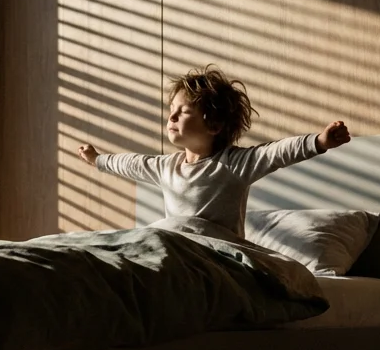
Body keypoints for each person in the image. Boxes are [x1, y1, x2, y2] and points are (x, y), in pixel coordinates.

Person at [76, 65, 351, 238]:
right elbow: (131, 163)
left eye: (183, 112)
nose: (171, 118)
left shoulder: (233, 165)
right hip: (178, 248)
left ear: (215, 125)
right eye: (171, 111)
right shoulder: (165, 167)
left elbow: (276, 152)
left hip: (216, 255)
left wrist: (319, 141)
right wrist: (98, 159)